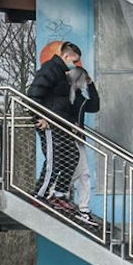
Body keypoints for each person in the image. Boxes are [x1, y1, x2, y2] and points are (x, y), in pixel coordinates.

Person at [25, 42, 100, 208]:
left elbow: (90, 105)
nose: (75, 65)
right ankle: (39, 195)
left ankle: (59, 194)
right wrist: (40, 117)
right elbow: (33, 95)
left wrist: (89, 83)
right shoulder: (50, 69)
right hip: (50, 125)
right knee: (54, 161)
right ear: (66, 56)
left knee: (72, 156)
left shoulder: (64, 77)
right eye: (74, 61)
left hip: (63, 126)